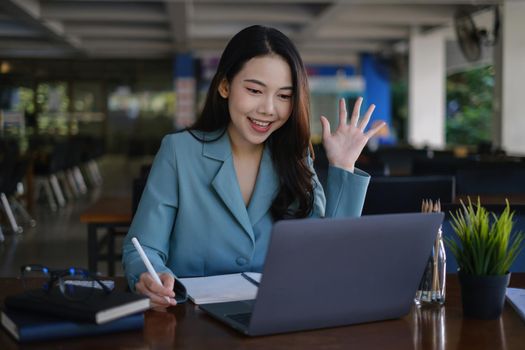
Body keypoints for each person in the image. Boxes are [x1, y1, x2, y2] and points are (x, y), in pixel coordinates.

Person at [122, 25, 385, 308]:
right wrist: (150, 276)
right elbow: (144, 248)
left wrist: (343, 167)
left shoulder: (296, 157)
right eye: (255, 90)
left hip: (277, 316)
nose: (268, 109)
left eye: (284, 96)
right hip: (194, 320)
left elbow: (328, 259)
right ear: (225, 86)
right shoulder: (179, 152)